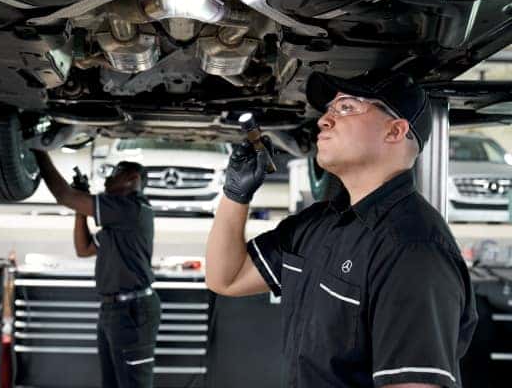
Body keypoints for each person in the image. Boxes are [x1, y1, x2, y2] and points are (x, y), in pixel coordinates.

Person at [205, 71, 478, 388]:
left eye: (346, 107)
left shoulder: (413, 250)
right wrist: (235, 195)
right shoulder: (317, 223)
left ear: (394, 131)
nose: (323, 120)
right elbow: (227, 278)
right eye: (329, 110)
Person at [34, 151, 160, 388]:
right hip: (114, 310)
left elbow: (64, 195)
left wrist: (40, 153)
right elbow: (83, 249)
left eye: (115, 173)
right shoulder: (118, 220)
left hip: (132, 311)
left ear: (132, 179)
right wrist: (81, 207)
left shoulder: (131, 208)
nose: (107, 179)